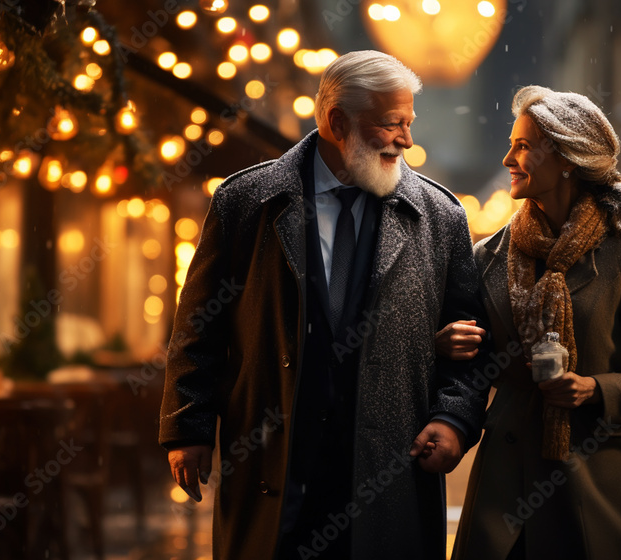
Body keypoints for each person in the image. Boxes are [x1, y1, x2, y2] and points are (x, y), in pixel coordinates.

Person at [158, 50, 490, 560]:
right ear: (338, 121)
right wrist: (188, 426)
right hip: (273, 463)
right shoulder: (245, 201)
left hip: (390, 471)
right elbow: (199, 327)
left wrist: (453, 419)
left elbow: (470, 340)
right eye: (391, 124)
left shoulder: (440, 216)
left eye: (409, 123)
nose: (406, 139)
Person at [438, 85, 621, 559]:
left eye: (523, 146)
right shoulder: (488, 257)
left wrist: (593, 389)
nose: (508, 157)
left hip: (597, 489)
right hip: (506, 493)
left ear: (567, 157)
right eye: (511, 143)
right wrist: (447, 343)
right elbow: (473, 370)